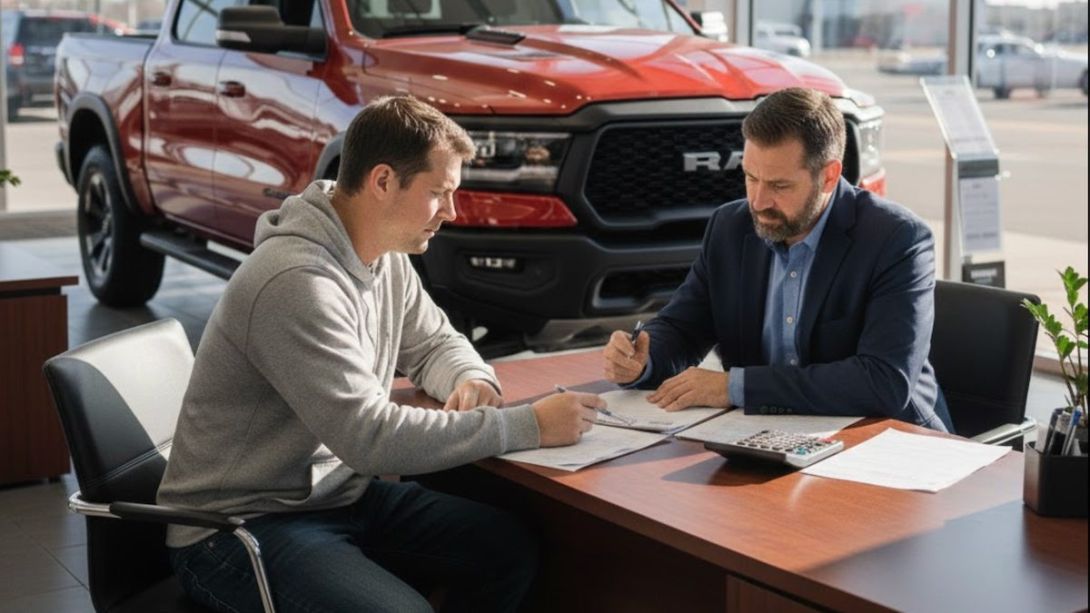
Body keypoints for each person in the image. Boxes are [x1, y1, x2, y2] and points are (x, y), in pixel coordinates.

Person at [158, 96, 606, 613]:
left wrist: (467, 377)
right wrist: (528, 425)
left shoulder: (382, 255)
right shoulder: (295, 282)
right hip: (237, 530)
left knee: (506, 549)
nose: (451, 212)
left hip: (336, 498)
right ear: (383, 181)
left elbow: (435, 341)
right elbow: (370, 438)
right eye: (439, 193)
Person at [602, 87, 952, 432]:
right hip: (766, 436)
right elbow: (683, 328)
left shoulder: (896, 239)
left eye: (780, 186)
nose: (758, 201)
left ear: (829, 176)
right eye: (751, 178)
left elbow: (883, 382)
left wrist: (734, 388)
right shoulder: (730, 227)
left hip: (887, 440)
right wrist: (643, 360)